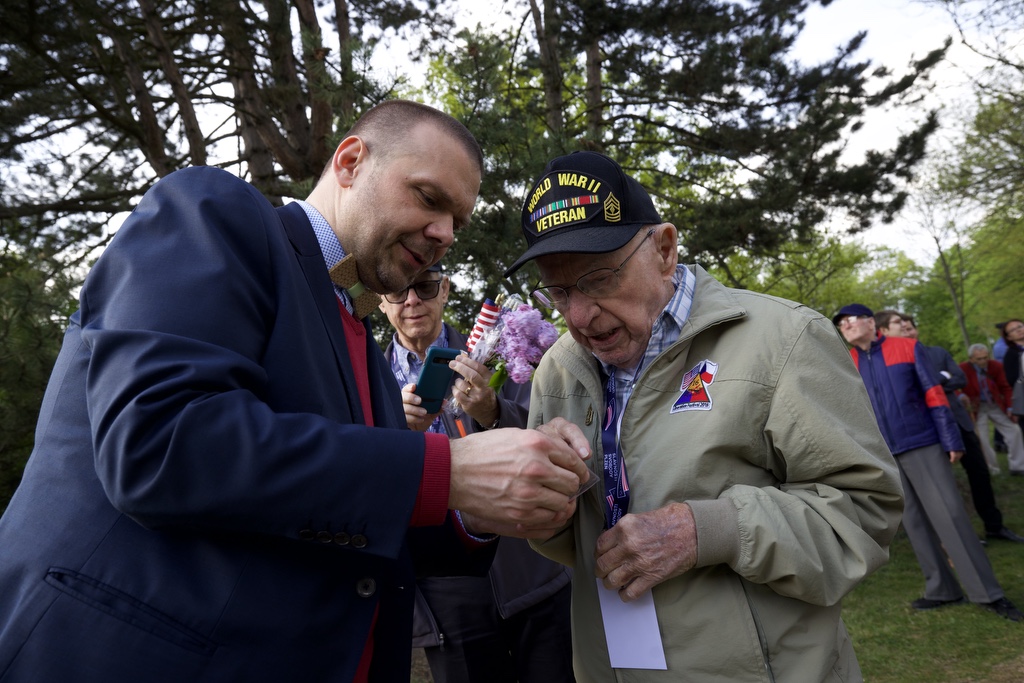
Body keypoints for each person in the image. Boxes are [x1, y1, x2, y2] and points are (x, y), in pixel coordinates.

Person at [0, 100, 592, 682]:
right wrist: (451, 470)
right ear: (351, 161)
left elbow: (366, 514)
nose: (443, 234)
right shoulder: (212, 210)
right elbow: (160, 441)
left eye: (457, 224)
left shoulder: (363, 342)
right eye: (430, 198)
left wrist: (507, 488)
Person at [502, 150, 905, 682]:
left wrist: (710, 530)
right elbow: (567, 544)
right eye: (558, 291)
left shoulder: (783, 338)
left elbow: (865, 513)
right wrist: (545, 500)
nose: (578, 316)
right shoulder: (558, 369)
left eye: (598, 279)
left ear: (664, 249)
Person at [379, 262, 575, 683]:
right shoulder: (370, 383)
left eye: (425, 287)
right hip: (442, 586)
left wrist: (492, 409)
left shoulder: (497, 349)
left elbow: (554, 439)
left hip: (529, 566)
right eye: (397, 291)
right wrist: (394, 433)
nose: (412, 300)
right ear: (381, 302)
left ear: (445, 290)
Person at [835, 303, 1022, 622]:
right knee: (915, 523)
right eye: (841, 323)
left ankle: (988, 593)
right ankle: (942, 589)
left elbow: (934, 393)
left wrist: (950, 439)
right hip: (885, 455)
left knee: (950, 516)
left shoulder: (907, 347)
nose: (848, 326)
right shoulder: (846, 363)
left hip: (923, 443)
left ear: (870, 322)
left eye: (853, 319)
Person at [886, 317, 1024, 542]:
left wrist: (928, 383)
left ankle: (994, 527)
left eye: (911, 328)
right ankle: (959, 538)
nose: (908, 332)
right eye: (903, 329)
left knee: (980, 474)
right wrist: (939, 379)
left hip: (959, 423)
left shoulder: (937, 353)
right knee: (943, 486)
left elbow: (959, 378)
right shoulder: (896, 362)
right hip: (929, 430)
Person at [960, 343, 1024, 475]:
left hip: (995, 404)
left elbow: (1005, 387)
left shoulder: (995, 366)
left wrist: (1010, 406)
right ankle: (992, 468)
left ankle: (1018, 466)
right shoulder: (962, 369)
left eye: (985, 357)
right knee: (982, 438)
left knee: (1014, 430)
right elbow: (955, 387)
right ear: (971, 359)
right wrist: (961, 395)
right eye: (979, 359)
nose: (983, 361)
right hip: (976, 406)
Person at [1000, 318, 1024, 446]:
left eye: (1020, 326)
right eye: (1013, 330)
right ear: (1009, 337)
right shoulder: (1011, 355)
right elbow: (1013, 380)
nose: (1019, 330)